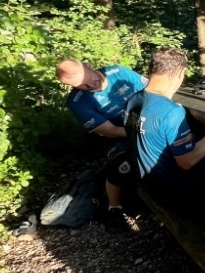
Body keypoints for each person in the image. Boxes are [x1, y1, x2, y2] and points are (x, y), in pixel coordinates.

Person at [122, 47, 205, 205]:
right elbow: (186, 162)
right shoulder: (171, 111)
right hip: (169, 189)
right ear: (181, 72)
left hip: (145, 177)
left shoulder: (132, 100)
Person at [56, 59, 147, 215]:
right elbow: (110, 130)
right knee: (123, 164)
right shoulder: (77, 101)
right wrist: (145, 132)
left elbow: (152, 91)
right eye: (81, 85)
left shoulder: (118, 72)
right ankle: (114, 206)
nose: (90, 85)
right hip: (116, 135)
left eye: (88, 78)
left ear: (88, 66)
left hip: (146, 120)